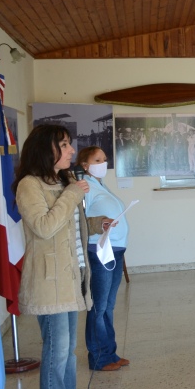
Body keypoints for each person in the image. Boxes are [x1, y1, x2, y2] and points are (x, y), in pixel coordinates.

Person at [14, 124, 111, 389]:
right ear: (47, 150)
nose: (72, 151)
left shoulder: (64, 181)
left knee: (67, 358)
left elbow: (71, 225)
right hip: (48, 287)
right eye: (66, 145)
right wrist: (72, 195)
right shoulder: (29, 185)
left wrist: (97, 224)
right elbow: (43, 227)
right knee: (56, 359)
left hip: (71, 284)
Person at [77, 146, 130, 372]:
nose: (103, 163)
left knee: (108, 305)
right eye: (97, 159)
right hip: (100, 250)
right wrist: (102, 221)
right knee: (99, 306)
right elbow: (80, 217)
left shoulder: (99, 184)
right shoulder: (84, 186)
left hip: (115, 249)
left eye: (105, 159)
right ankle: (99, 357)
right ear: (84, 164)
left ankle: (110, 353)